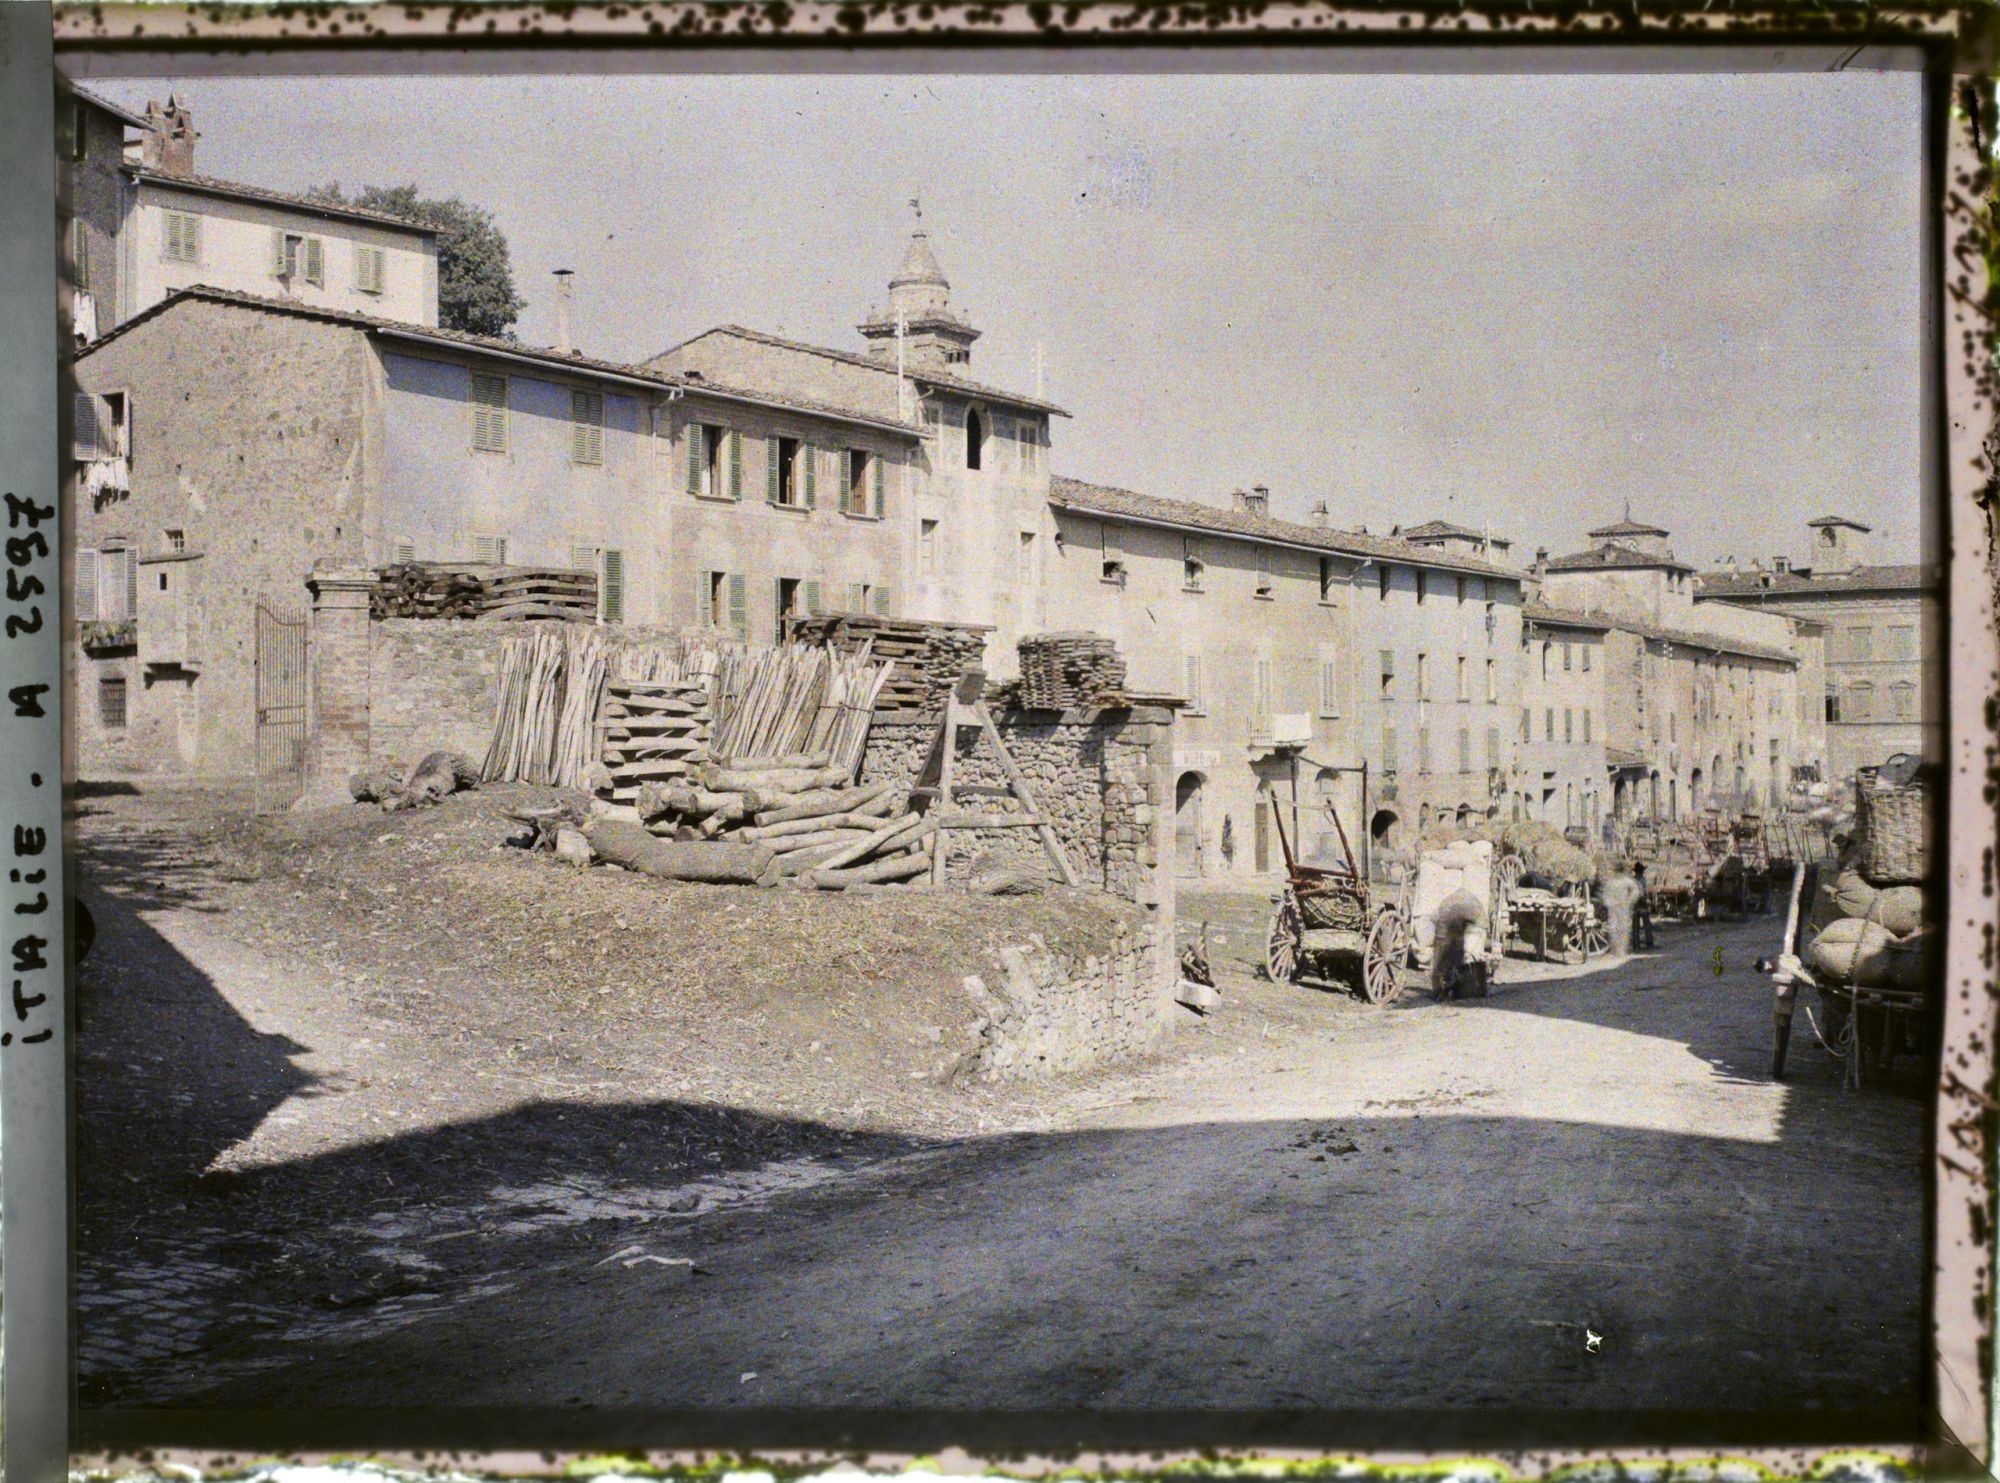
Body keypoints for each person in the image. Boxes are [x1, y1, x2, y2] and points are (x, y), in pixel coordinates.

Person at [1632, 860, 1657, 950]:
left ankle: (1636, 944)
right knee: (1646, 924)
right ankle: (1648, 943)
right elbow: (1643, 892)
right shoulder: (1640, 880)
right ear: (1640, 871)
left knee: (1636, 926)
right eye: (1642, 871)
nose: (1643, 872)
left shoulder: (1633, 880)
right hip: (1640, 903)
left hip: (1635, 903)